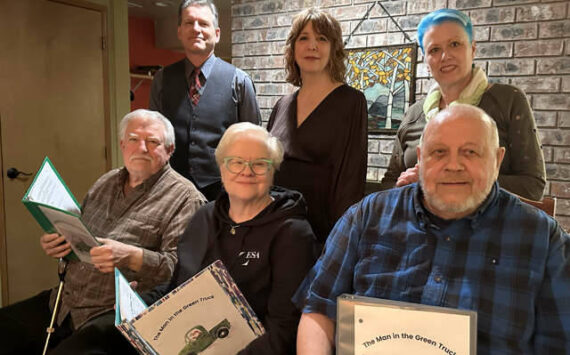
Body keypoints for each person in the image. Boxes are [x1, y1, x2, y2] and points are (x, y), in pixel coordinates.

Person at [294, 104, 570, 354]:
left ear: (497, 161)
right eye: (439, 152)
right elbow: (317, 309)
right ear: (421, 158)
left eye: (470, 152)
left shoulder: (543, 239)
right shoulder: (367, 215)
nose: (453, 165)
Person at [0, 109, 206, 354]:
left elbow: (183, 275)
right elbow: (81, 235)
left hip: (116, 311)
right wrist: (60, 244)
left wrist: (131, 257)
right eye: (133, 140)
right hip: (65, 301)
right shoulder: (105, 182)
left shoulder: (186, 198)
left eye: (152, 142)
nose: (141, 148)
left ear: (170, 150)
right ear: (122, 145)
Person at [145, 123, 316, 354]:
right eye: (236, 162)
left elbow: (283, 331)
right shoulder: (204, 216)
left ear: (273, 170)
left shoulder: (293, 234)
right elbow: (178, 286)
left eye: (259, 164)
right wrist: (139, 304)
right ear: (222, 168)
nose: (246, 172)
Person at [379, 8, 546, 201]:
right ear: (426, 61)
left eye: (455, 44)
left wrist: (439, 180)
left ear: (473, 49)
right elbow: (389, 183)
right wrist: (405, 187)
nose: (445, 56)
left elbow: (532, 186)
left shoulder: (508, 100)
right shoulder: (413, 114)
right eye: (434, 49)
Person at [267, 7, 367, 246]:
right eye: (304, 38)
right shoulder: (282, 104)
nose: (312, 46)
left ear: (333, 49)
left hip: (322, 235)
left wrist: (339, 242)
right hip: (275, 228)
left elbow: (351, 178)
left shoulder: (351, 102)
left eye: (322, 38)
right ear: (293, 48)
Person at [149, 0, 261, 201]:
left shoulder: (239, 81)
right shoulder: (162, 80)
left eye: (203, 23)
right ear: (179, 32)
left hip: (225, 193)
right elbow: (155, 138)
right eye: (189, 23)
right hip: (171, 191)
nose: (196, 29)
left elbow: (253, 143)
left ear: (217, 34)